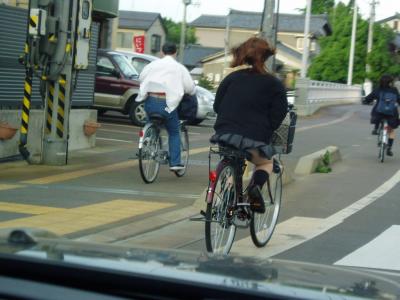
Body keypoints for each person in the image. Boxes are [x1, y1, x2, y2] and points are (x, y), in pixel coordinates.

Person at [211, 37, 288, 213]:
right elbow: (279, 114)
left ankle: (226, 200)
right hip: (254, 137)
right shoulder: (274, 83)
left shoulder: (231, 78)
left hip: (224, 133)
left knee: (233, 162)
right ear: (266, 57)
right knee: (265, 164)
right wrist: (267, 128)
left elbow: (217, 106)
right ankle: (254, 189)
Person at [136, 42, 196, 171]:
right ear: (175, 53)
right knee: (174, 132)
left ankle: (147, 142)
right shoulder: (179, 68)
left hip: (150, 101)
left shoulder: (152, 65)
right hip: (167, 104)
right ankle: (175, 162)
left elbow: (141, 78)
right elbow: (190, 88)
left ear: (162, 53)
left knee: (151, 121)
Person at [363, 74, 400, 156]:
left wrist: (365, 101)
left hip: (379, 113)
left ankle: (376, 129)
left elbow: (369, 98)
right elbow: (399, 99)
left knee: (376, 111)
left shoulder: (378, 89)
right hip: (391, 114)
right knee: (391, 130)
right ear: (391, 82)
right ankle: (389, 148)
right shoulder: (394, 90)